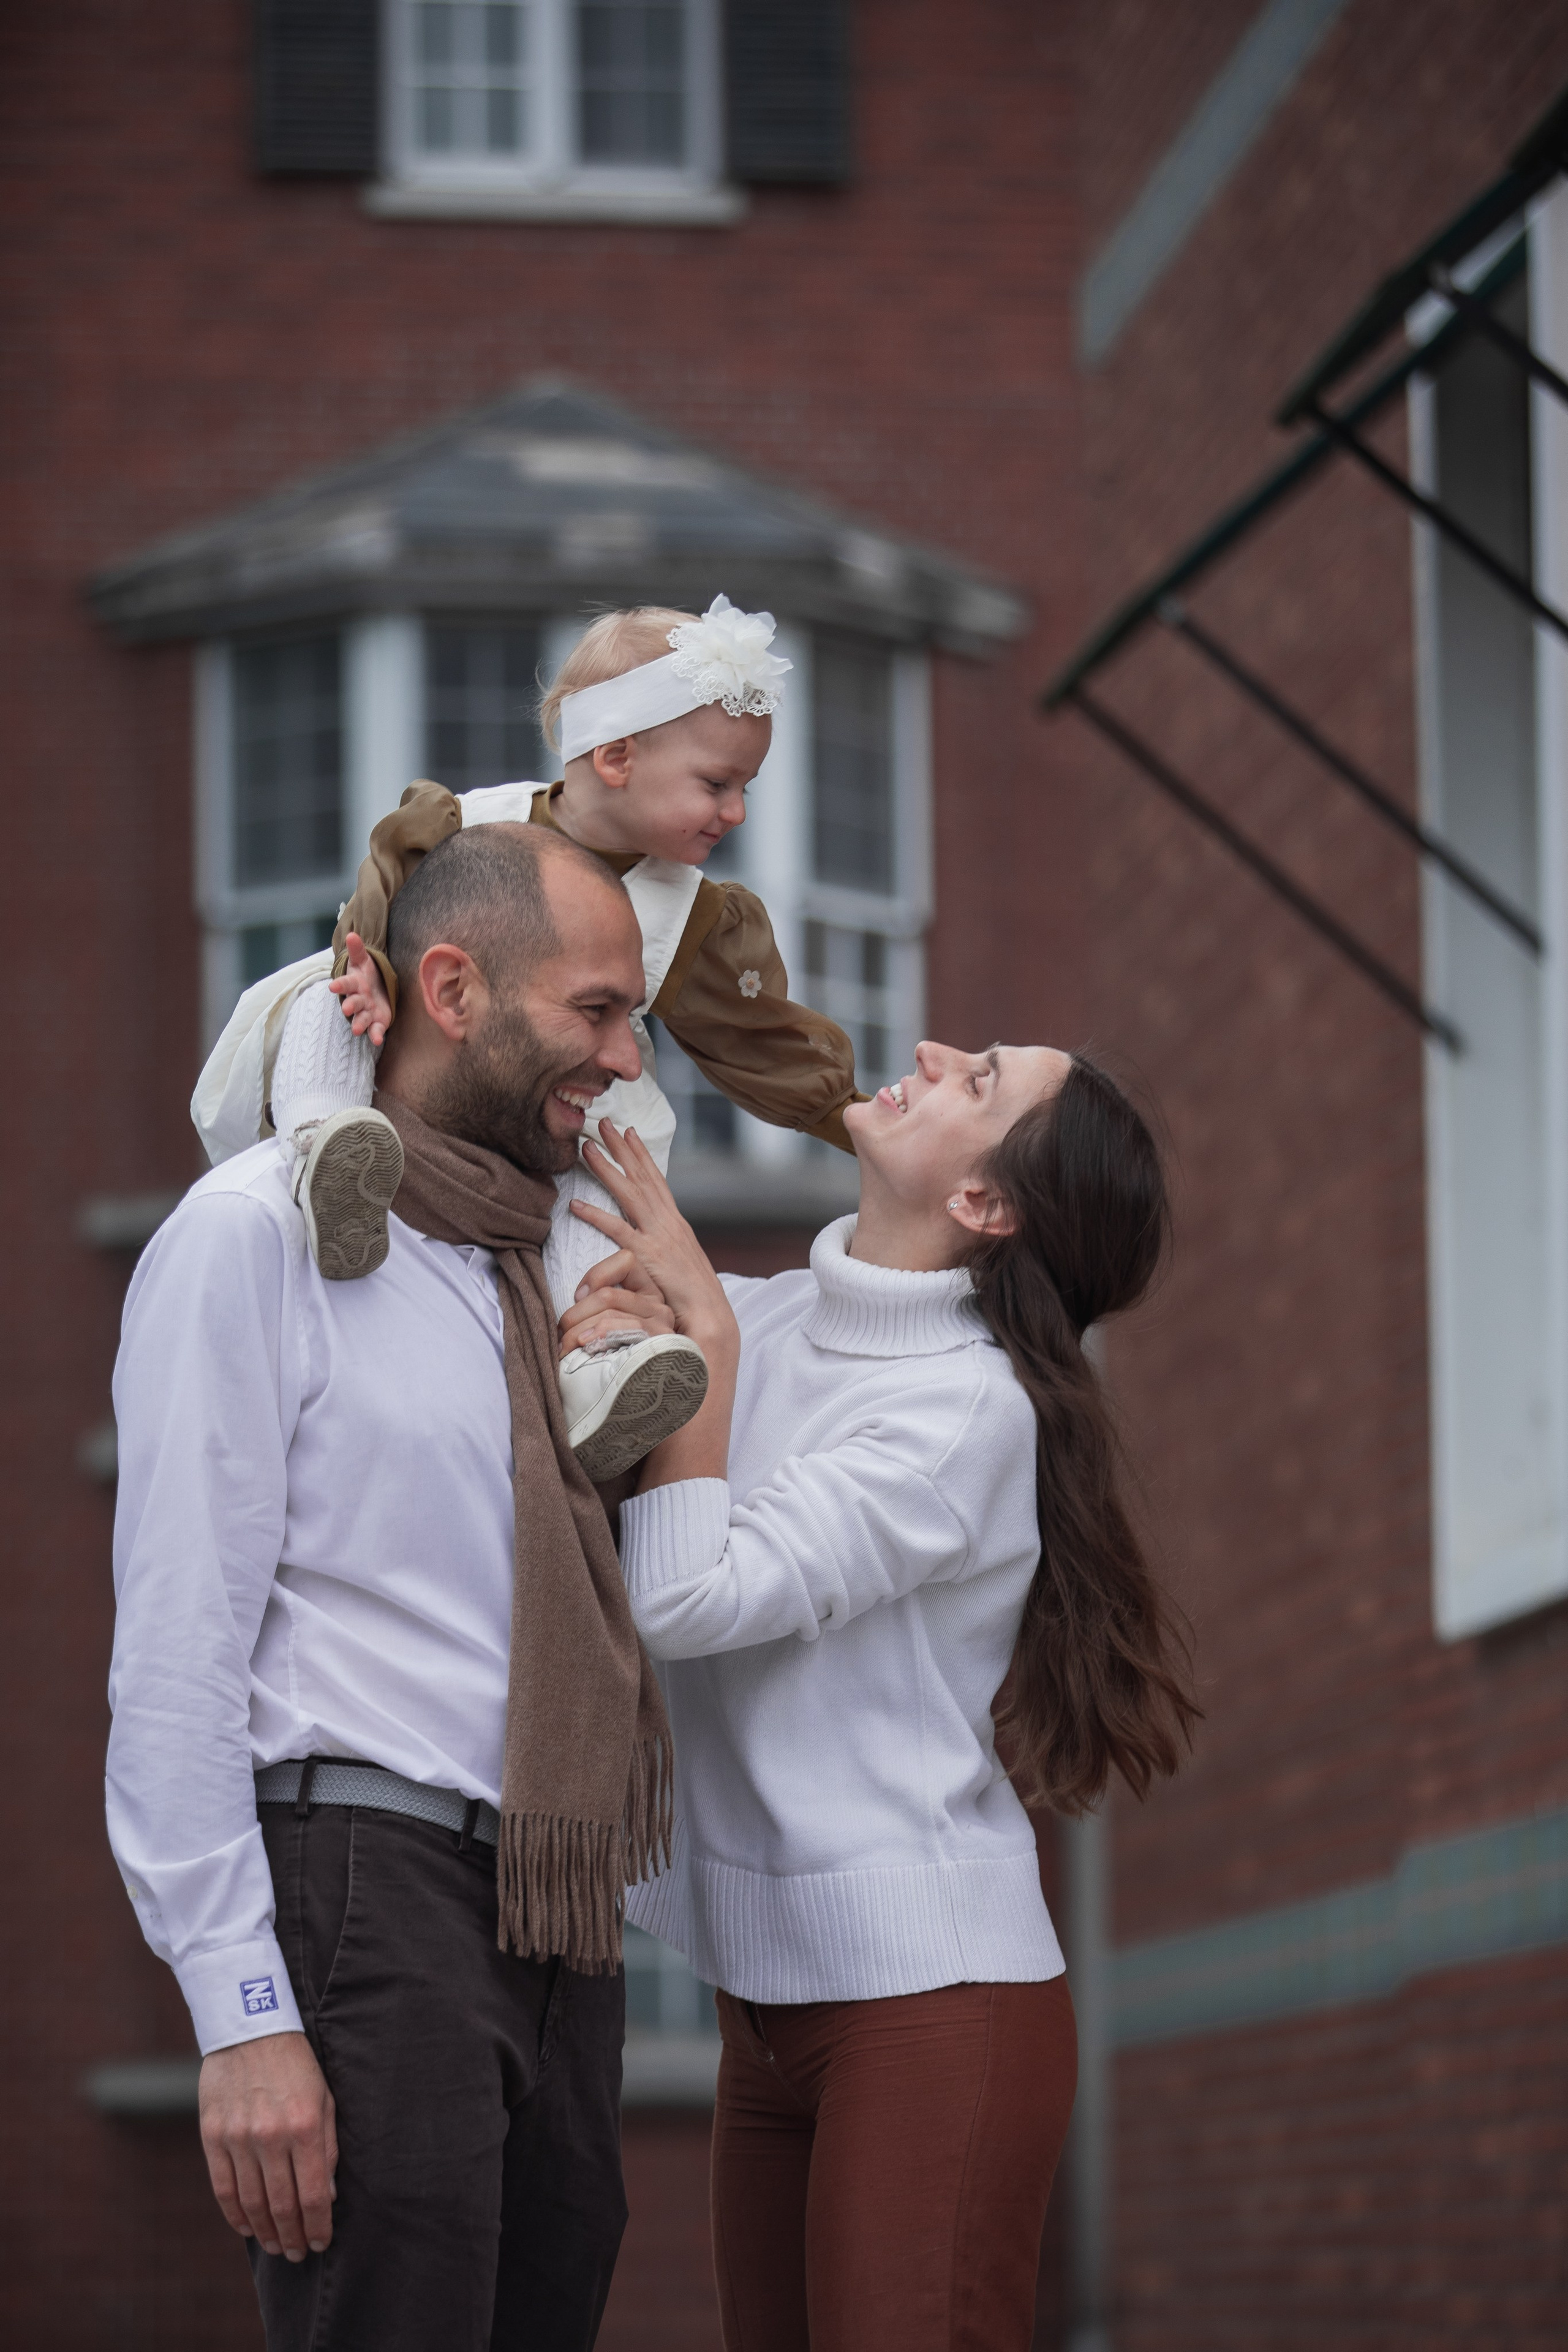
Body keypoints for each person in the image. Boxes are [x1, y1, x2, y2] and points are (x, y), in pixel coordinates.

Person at [107, 822, 682, 2352]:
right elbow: (176, 1645)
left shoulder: (545, 1268)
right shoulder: (257, 1238)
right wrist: (243, 2022)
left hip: (557, 1918)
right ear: (450, 985)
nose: (627, 1060)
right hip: (365, 1894)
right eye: (597, 1011)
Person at [557, 1044, 1200, 2352]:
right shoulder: (779, 1318)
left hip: (933, 2015)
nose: (929, 1054)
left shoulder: (964, 1413)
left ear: (985, 1204)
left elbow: (685, 1600)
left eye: (979, 1081)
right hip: (768, 2012)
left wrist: (701, 1347)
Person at [192, 594, 864, 1480]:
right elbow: (376, 909)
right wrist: (373, 979)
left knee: (609, 1158)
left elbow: (763, 1044)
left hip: (558, 1094)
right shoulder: (461, 825)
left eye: (745, 788)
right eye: (717, 784)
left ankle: (588, 1358)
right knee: (333, 990)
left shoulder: (694, 919)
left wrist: (858, 1123)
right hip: (400, 1026)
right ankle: (329, 1147)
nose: (736, 812)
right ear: (617, 755)